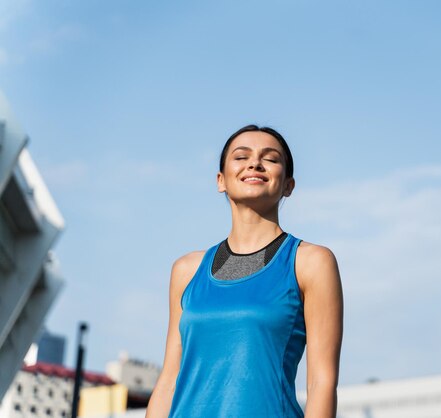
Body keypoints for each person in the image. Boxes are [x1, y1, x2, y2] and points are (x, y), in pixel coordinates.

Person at [145, 125, 344, 418]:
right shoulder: (187, 270)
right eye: (241, 156)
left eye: (271, 158)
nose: (255, 163)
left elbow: (321, 383)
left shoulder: (311, 262)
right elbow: (168, 383)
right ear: (221, 180)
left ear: (288, 185)